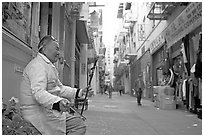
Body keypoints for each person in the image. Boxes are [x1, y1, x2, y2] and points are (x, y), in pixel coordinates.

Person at [20, 35, 91, 135]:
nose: (59, 53)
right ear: (44, 49)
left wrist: (79, 92)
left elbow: (60, 88)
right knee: (78, 126)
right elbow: (38, 93)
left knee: (79, 125)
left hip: (50, 112)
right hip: (40, 114)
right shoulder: (38, 66)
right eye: (56, 49)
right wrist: (58, 102)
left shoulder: (47, 65)